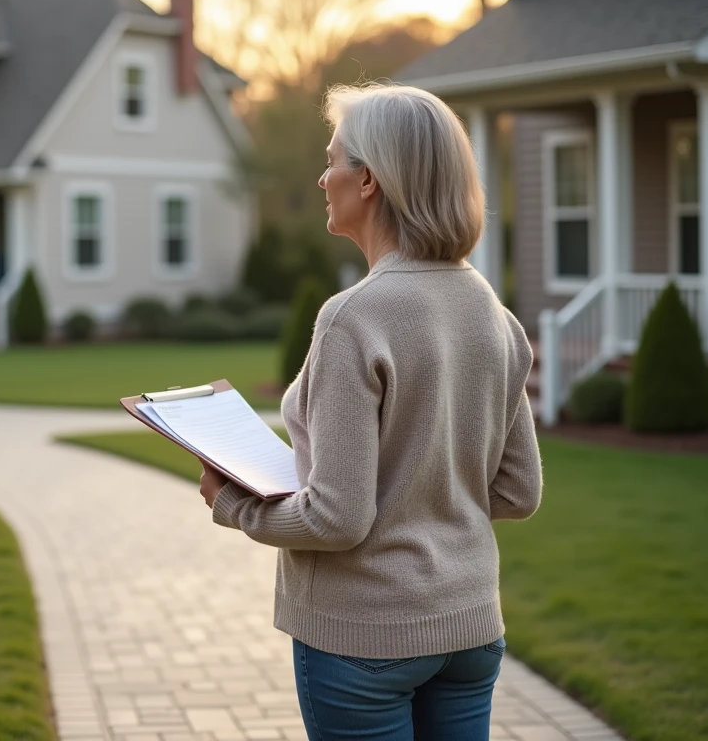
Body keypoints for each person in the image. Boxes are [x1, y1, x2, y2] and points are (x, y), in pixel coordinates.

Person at [199, 83, 542, 740]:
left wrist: (234, 504)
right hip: (469, 628)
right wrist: (424, 503)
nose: (322, 177)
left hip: (364, 641)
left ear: (370, 182)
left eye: (332, 161)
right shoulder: (493, 315)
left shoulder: (351, 318)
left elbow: (338, 516)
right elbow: (518, 491)